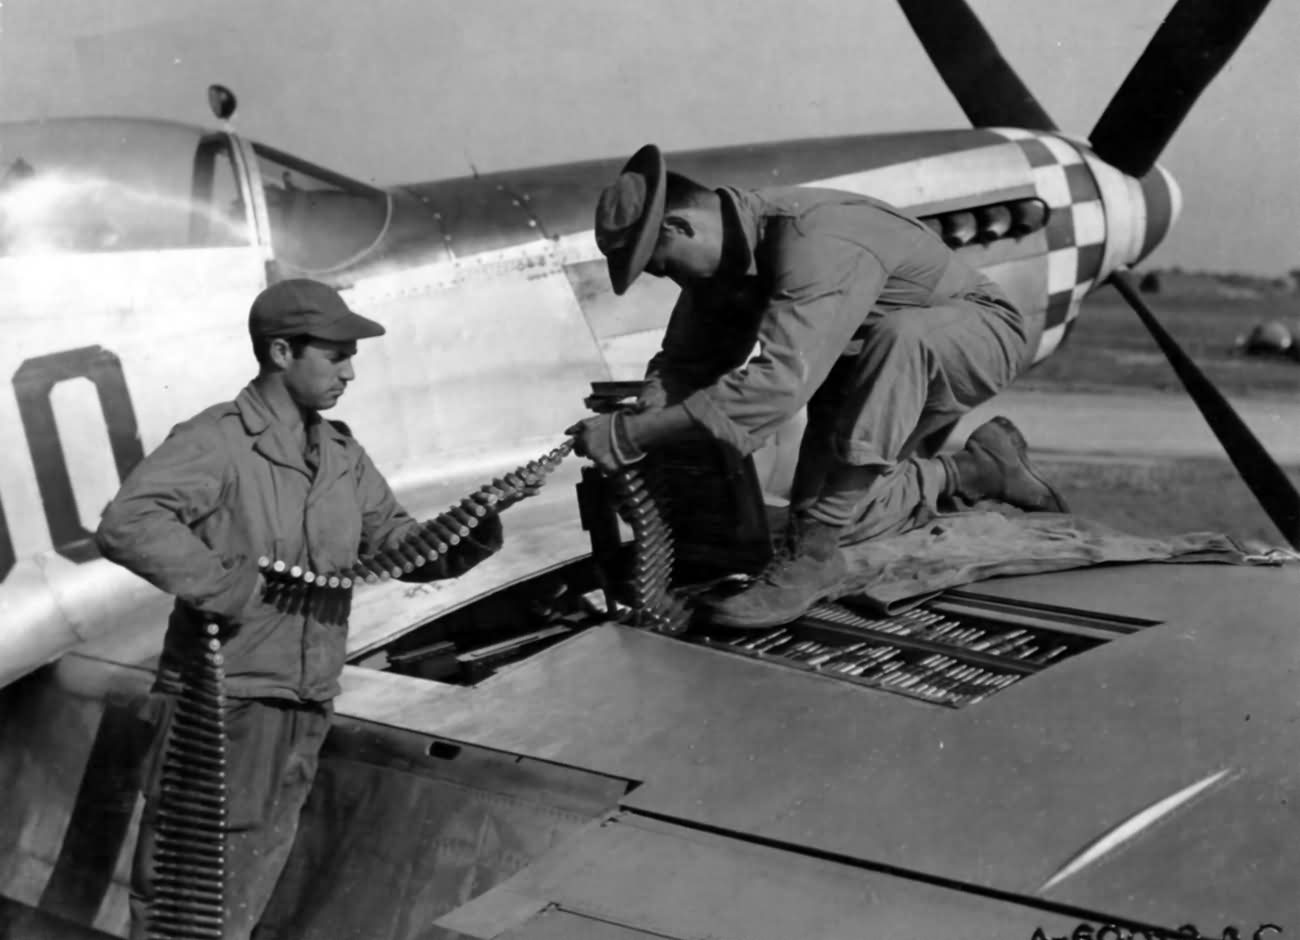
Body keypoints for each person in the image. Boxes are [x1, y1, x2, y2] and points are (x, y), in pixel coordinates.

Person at [96, 278, 506, 939]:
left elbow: (395, 543)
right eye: (336, 354)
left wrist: (472, 528)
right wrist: (224, 587)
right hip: (224, 705)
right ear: (282, 352)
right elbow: (128, 521)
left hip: (304, 702)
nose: (350, 371)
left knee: (243, 891)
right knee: (184, 903)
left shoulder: (339, 454)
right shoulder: (218, 440)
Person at [568, 144, 1068, 629]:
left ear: (680, 227)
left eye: (664, 265)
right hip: (867, 368)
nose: (670, 280)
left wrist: (631, 438)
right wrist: (644, 411)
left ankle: (812, 557)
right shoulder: (724, 261)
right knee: (853, 517)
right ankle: (978, 469)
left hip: (976, 334)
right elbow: (685, 362)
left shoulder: (814, 238)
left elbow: (780, 385)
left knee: (899, 343)